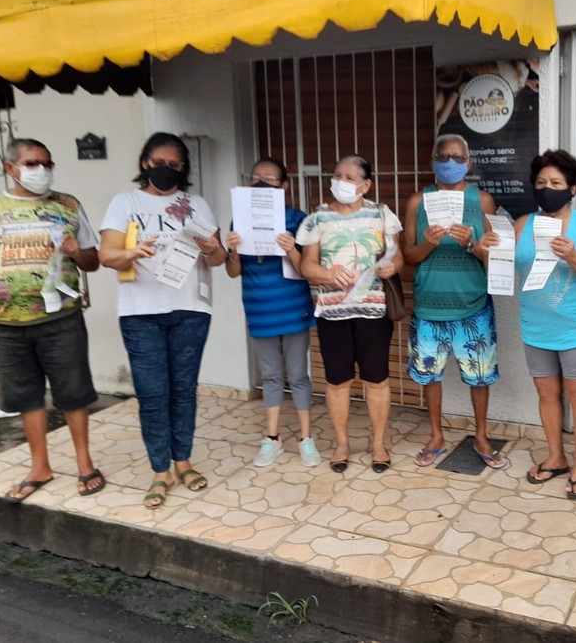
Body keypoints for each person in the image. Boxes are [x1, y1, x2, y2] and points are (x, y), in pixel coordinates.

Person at [0, 138, 105, 503]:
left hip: (61, 320)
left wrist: (76, 252)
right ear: (11, 168)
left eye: (47, 163)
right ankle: (40, 466)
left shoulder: (68, 205)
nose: (42, 170)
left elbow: (92, 260)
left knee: (73, 393)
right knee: (27, 397)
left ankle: (85, 464)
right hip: (8, 324)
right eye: (33, 163)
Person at [99, 132, 227, 508]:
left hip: (190, 309)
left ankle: (183, 461)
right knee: (153, 395)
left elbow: (217, 259)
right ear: (145, 163)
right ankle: (160, 470)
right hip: (140, 312)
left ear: (183, 168)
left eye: (174, 165)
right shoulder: (125, 203)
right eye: (159, 163)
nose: (166, 170)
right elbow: (107, 254)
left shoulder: (197, 204)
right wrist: (132, 252)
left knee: (184, 391)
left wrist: (211, 247)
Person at [402, 134, 505, 469]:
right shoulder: (418, 201)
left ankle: (481, 435)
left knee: (480, 376)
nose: (450, 163)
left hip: (473, 304)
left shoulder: (483, 201)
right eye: (443, 156)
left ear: (469, 163)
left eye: (458, 158)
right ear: (432, 159)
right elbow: (408, 255)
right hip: (429, 305)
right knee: (430, 376)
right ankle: (436, 435)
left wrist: (472, 245)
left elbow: (494, 255)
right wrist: (429, 243)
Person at [296, 155, 404, 474]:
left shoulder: (381, 214)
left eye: (349, 177)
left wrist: (391, 266)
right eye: (337, 175)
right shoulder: (317, 218)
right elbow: (306, 266)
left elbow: (397, 258)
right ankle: (342, 443)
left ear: (366, 185)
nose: (340, 181)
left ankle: (378, 444)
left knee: (377, 380)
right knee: (337, 381)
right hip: (333, 312)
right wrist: (330, 275)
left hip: (373, 310)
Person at [512, 150, 576, 500]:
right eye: (540, 183)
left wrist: (574, 255)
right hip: (535, 326)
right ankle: (556, 456)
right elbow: (502, 265)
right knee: (546, 393)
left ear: (572, 188)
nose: (547, 188)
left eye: (555, 183)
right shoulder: (523, 224)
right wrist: (484, 247)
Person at [225, 158, 318, 468]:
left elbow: (307, 269)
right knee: (271, 375)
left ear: (284, 185)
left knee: (298, 375)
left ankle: (306, 439)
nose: (262, 183)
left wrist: (291, 247)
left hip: (293, 306)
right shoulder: (238, 222)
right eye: (255, 178)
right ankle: (273, 438)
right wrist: (234, 250)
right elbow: (232, 271)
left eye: (270, 178)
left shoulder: (298, 219)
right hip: (259, 307)